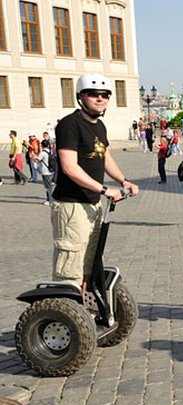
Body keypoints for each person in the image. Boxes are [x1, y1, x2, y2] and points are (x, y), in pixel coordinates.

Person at [51, 73, 139, 302]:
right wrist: (104, 189)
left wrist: (123, 181)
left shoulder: (99, 125)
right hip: (71, 205)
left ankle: (84, 311)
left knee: (90, 261)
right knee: (71, 264)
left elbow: (105, 157)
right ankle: (67, 314)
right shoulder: (69, 124)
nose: (100, 99)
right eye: (93, 94)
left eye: (105, 95)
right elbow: (69, 167)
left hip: (92, 204)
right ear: (81, 97)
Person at [36, 139, 54, 205]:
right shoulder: (50, 151)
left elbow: (37, 160)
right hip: (50, 170)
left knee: (48, 187)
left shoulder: (42, 153)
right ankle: (48, 199)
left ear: (42, 145)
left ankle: (50, 200)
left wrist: (34, 157)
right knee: (48, 186)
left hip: (45, 171)